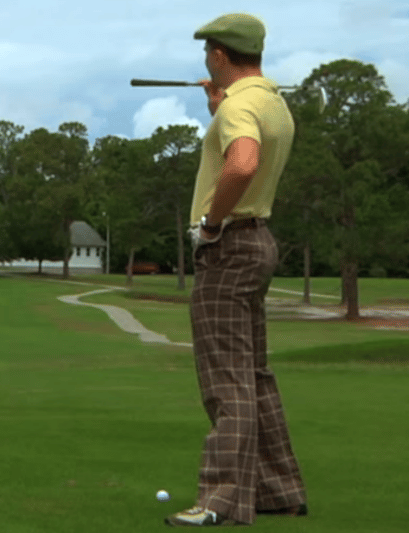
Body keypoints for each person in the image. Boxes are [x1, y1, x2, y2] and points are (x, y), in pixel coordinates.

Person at [165, 13, 307, 527]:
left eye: (208, 52)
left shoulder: (239, 107)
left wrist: (210, 225)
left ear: (220, 55)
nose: (206, 60)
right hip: (258, 241)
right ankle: (277, 489)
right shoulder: (271, 102)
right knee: (253, 374)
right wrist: (217, 110)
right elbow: (248, 144)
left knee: (226, 380)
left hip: (228, 246)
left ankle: (219, 501)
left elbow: (243, 163)